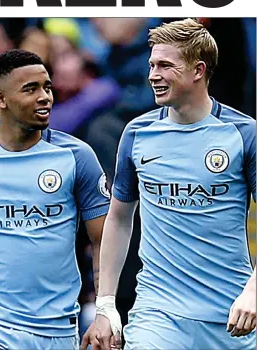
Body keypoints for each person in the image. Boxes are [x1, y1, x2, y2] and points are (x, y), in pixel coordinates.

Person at [94, 18, 256, 350]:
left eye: (165, 66)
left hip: (233, 316)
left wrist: (254, 291)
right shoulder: (137, 133)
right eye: (152, 64)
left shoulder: (243, 134)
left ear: (198, 70)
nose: (153, 75)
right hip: (158, 315)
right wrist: (105, 303)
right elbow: (119, 217)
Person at [0, 49, 109, 349]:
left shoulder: (77, 157)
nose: (45, 97)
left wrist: (105, 311)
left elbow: (104, 241)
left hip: (56, 330)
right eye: (31, 89)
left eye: (47, 87)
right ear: (0, 99)